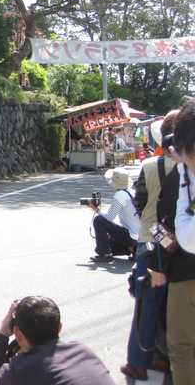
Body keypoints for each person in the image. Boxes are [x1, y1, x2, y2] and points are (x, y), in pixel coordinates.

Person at [120, 110, 179, 380]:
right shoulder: (187, 165)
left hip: (149, 240)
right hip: (180, 244)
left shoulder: (149, 166)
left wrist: (154, 227)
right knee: (174, 303)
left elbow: (140, 203)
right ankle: (166, 356)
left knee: (145, 304)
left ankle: (139, 360)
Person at [149, 99, 195, 384]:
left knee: (181, 347)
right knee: (179, 347)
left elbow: (161, 226)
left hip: (180, 271)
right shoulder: (176, 174)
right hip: (179, 273)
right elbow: (159, 221)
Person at [0, 296, 115, 385]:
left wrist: (1, 335)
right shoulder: (82, 351)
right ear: (59, 328)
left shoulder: (23, 368)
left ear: (18, 334)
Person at [88, 169, 140, 262]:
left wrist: (96, 209)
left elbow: (109, 217)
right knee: (111, 244)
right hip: (139, 236)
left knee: (99, 220)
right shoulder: (132, 192)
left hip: (131, 236)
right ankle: (134, 249)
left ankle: (104, 253)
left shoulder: (120, 195)